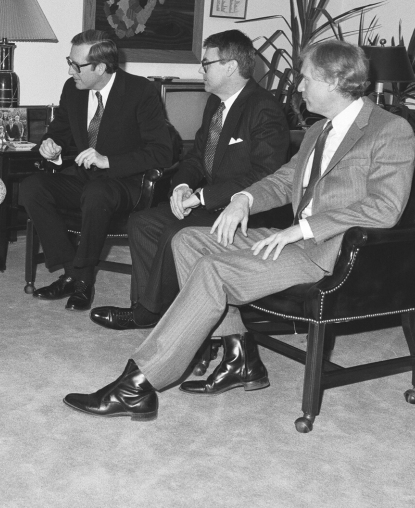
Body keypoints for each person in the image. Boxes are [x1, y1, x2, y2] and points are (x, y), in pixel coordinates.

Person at [62, 40, 415, 421]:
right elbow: (283, 181)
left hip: (331, 253)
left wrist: (302, 230)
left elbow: (384, 208)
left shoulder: (389, 130)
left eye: (307, 78)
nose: (298, 86)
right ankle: (238, 356)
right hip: (296, 242)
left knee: (215, 271)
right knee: (187, 240)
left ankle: (138, 383)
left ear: (333, 82)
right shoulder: (318, 130)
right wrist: (243, 200)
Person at [90, 30, 290, 332]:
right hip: (210, 203)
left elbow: (265, 175)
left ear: (230, 66)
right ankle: (149, 308)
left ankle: (158, 314)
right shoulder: (216, 103)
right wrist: (182, 185)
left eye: (206, 63)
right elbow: (197, 156)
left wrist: (204, 197)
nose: (201, 70)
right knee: (142, 222)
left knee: (175, 231)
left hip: (245, 211)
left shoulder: (263, 109)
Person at [19, 30, 173, 312]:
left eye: (76, 65)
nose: (70, 70)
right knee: (31, 187)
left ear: (101, 67)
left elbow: (162, 152)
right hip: (84, 180)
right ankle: (75, 273)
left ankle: (80, 281)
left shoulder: (140, 92)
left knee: (97, 192)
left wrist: (108, 161)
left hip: (124, 183)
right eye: (70, 61)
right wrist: (48, 144)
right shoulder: (72, 90)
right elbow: (59, 131)